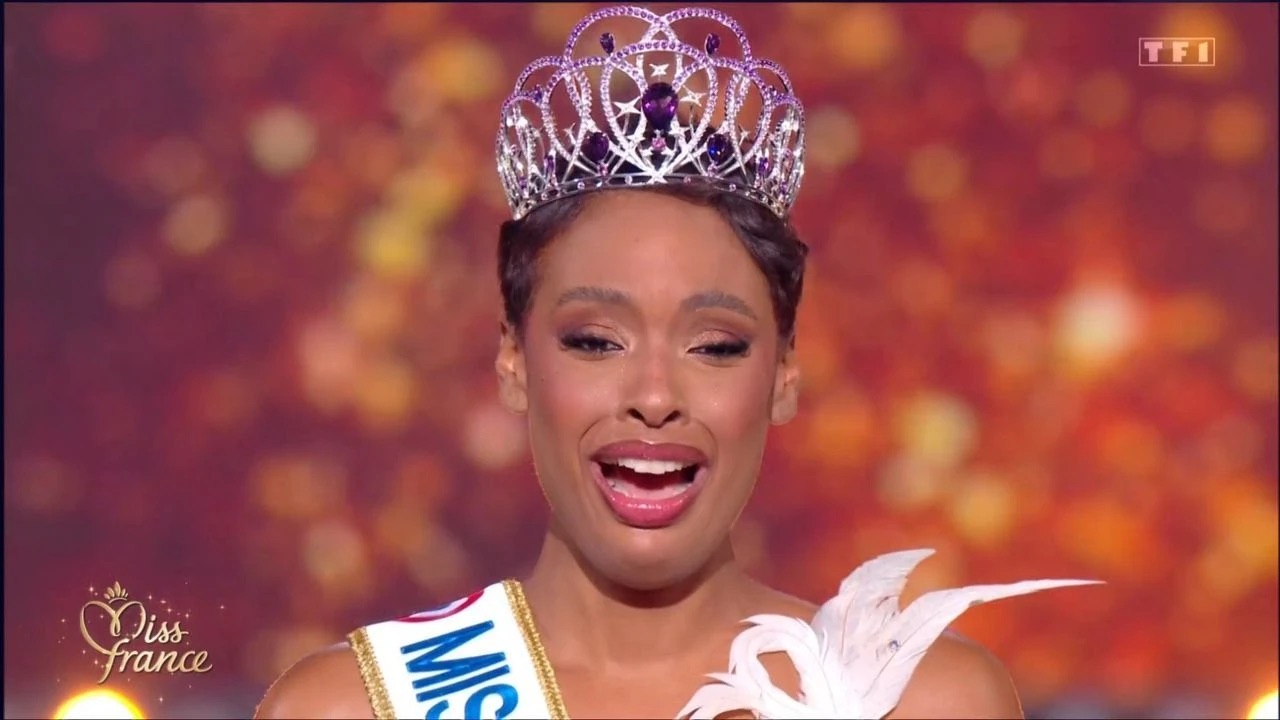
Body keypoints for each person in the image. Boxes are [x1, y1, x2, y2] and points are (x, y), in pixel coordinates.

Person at [256, 7, 1095, 719]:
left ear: (785, 375)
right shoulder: (352, 706)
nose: (655, 395)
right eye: (595, 340)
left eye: (715, 347)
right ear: (512, 360)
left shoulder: (917, 703)